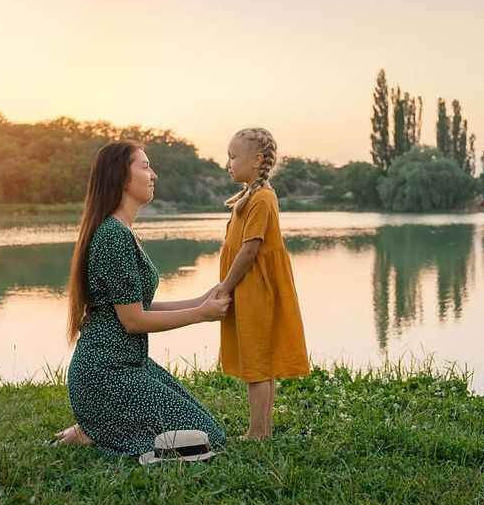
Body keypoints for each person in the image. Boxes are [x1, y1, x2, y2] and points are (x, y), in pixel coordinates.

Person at [53, 140, 230, 457]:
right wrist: (201, 314)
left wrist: (198, 300)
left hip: (131, 365)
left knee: (208, 431)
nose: (154, 175)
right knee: (206, 440)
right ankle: (96, 430)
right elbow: (133, 321)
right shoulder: (112, 235)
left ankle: (96, 428)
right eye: (145, 166)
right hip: (106, 373)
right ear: (121, 176)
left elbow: (138, 307)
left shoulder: (122, 230)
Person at [217, 127, 310, 440]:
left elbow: (249, 250)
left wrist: (225, 287)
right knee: (259, 362)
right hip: (250, 288)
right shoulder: (252, 195)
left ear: (256, 160)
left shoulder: (261, 199)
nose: (227, 163)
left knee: (257, 364)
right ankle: (262, 430)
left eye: (232, 156)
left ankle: (258, 432)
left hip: (255, 290)